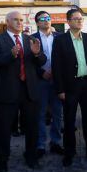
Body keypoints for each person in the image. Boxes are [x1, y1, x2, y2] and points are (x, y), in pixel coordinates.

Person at [0, 11, 46, 172]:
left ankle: (31, 157)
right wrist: (10, 54)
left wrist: (37, 54)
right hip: (7, 92)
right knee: (3, 129)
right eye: (15, 20)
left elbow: (41, 62)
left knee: (32, 127)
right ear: (7, 21)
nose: (19, 22)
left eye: (21, 20)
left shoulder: (31, 40)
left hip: (29, 91)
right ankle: (1, 160)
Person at [52, 9, 87, 167]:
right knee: (69, 121)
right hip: (69, 87)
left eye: (81, 19)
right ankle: (69, 152)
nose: (79, 21)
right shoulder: (60, 40)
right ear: (68, 22)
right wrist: (60, 90)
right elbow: (57, 66)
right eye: (75, 19)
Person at [31, 11, 64, 158]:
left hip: (57, 81)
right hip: (41, 81)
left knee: (58, 113)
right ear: (37, 22)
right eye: (42, 19)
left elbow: (65, 58)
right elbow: (28, 61)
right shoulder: (32, 39)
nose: (46, 21)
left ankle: (56, 142)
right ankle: (40, 145)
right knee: (40, 113)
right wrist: (41, 73)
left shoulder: (60, 37)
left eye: (48, 18)